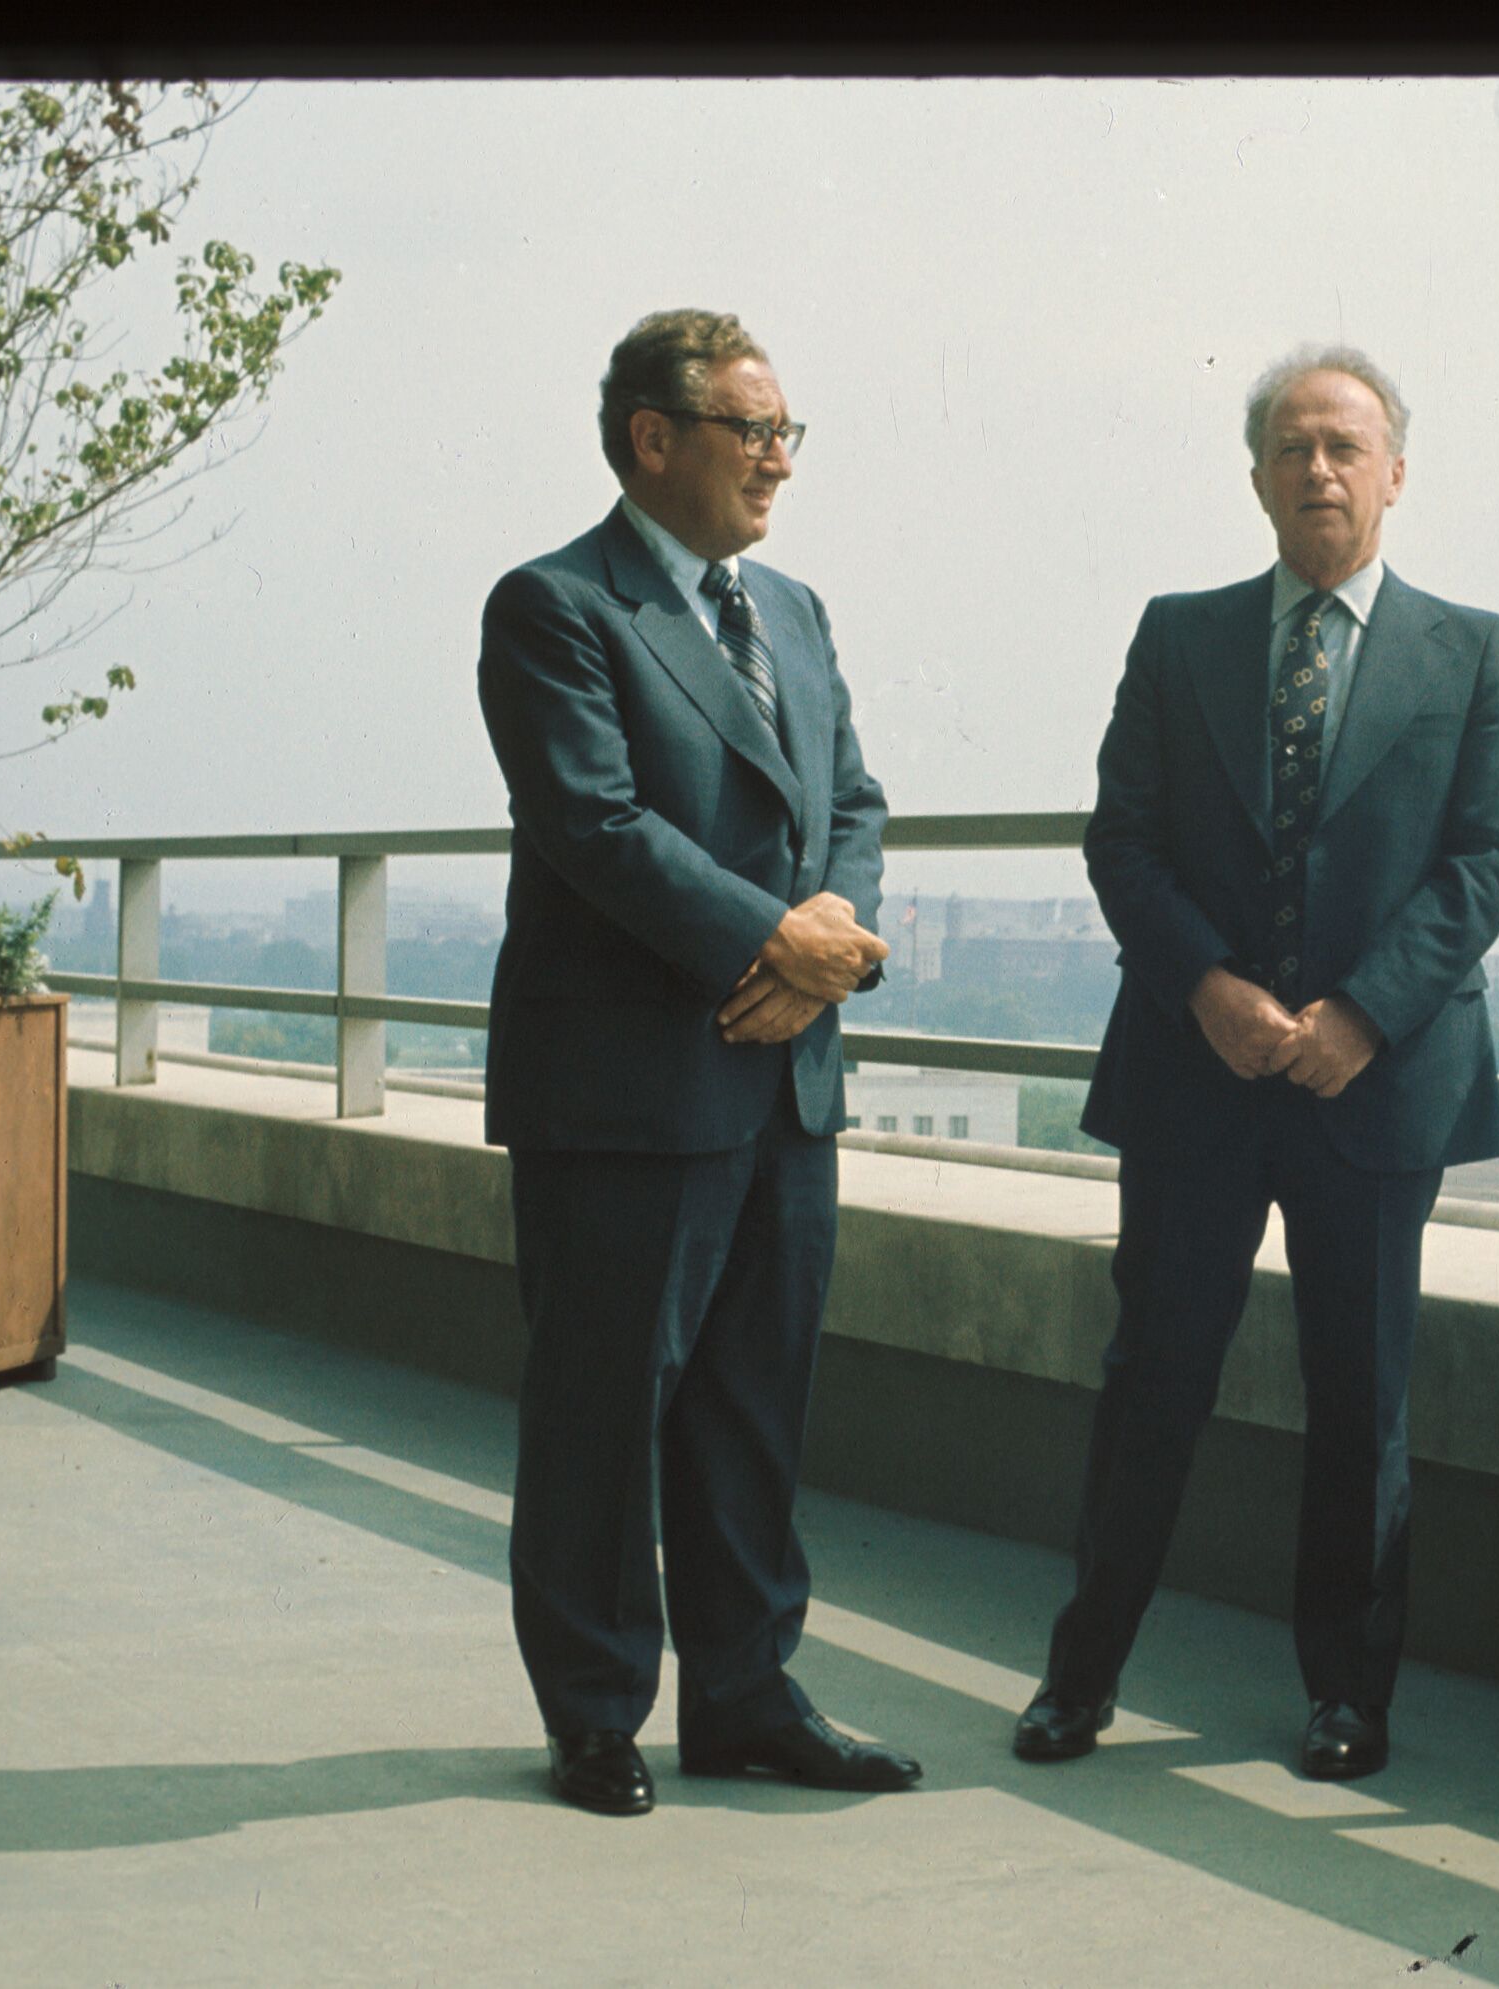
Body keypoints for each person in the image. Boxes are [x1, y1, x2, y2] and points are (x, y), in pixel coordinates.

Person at [1014, 344, 1499, 1780]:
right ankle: (1079, 1678)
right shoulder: (1178, 636)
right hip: (1198, 1073)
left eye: (1345, 447)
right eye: (1292, 447)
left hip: (1379, 1083)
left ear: (1396, 474)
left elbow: (1488, 858)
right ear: (1255, 477)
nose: (1319, 469)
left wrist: (1363, 1014)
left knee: (1361, 1395)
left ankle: (1348, 1698)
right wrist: (1208, 989)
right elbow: (1121, 838)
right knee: (1153, 1378)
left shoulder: (1471, 649)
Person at [477, 308, 917, 1816]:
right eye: (753, 430)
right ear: (653, 439)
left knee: (752, 1411)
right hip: (627, 1091)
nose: (780, 459)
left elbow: (850, 800)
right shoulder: (556, 606)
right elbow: (594, 825)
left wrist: (826, 948)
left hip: (783, 1081)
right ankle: (596, 1714)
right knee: (603, 1417)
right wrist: (775, 944)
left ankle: (746, 1699)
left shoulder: (792, 608)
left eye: (789, 431)